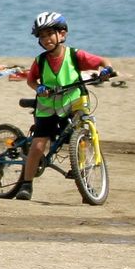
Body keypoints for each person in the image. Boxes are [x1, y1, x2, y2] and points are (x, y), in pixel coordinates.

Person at [15, 11, 114, 202]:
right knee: (38, 145)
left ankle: (84, 180)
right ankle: (26, 184)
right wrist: (40, 88)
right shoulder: (40, 61)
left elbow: (102, 62)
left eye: (49, 34)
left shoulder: (75, 55)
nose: (46, 39)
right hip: (47, 107)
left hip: (74, 102)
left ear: (62, 34)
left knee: (81, 139)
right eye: (42, 36)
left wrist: (106, 70)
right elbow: (31, 80)